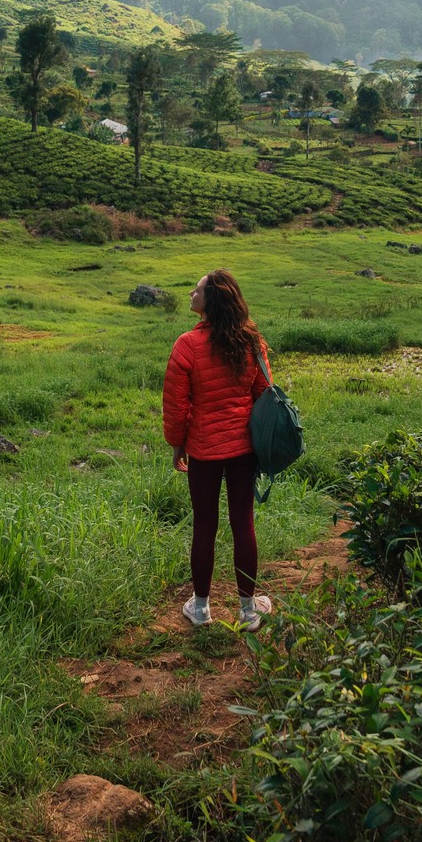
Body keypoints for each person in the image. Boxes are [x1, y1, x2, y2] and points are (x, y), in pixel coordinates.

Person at [162, 270, 275, 630]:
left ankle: (201, 608)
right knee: (243, 524)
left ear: (209, 300)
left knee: (204, 526)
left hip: (204, 451)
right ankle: (248, 610)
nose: (190, 293)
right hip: (244, 449)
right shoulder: (250, 340)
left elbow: (176, 405)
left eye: (195, 289)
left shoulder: (186, 345)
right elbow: (264, 394)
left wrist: (177, 444)